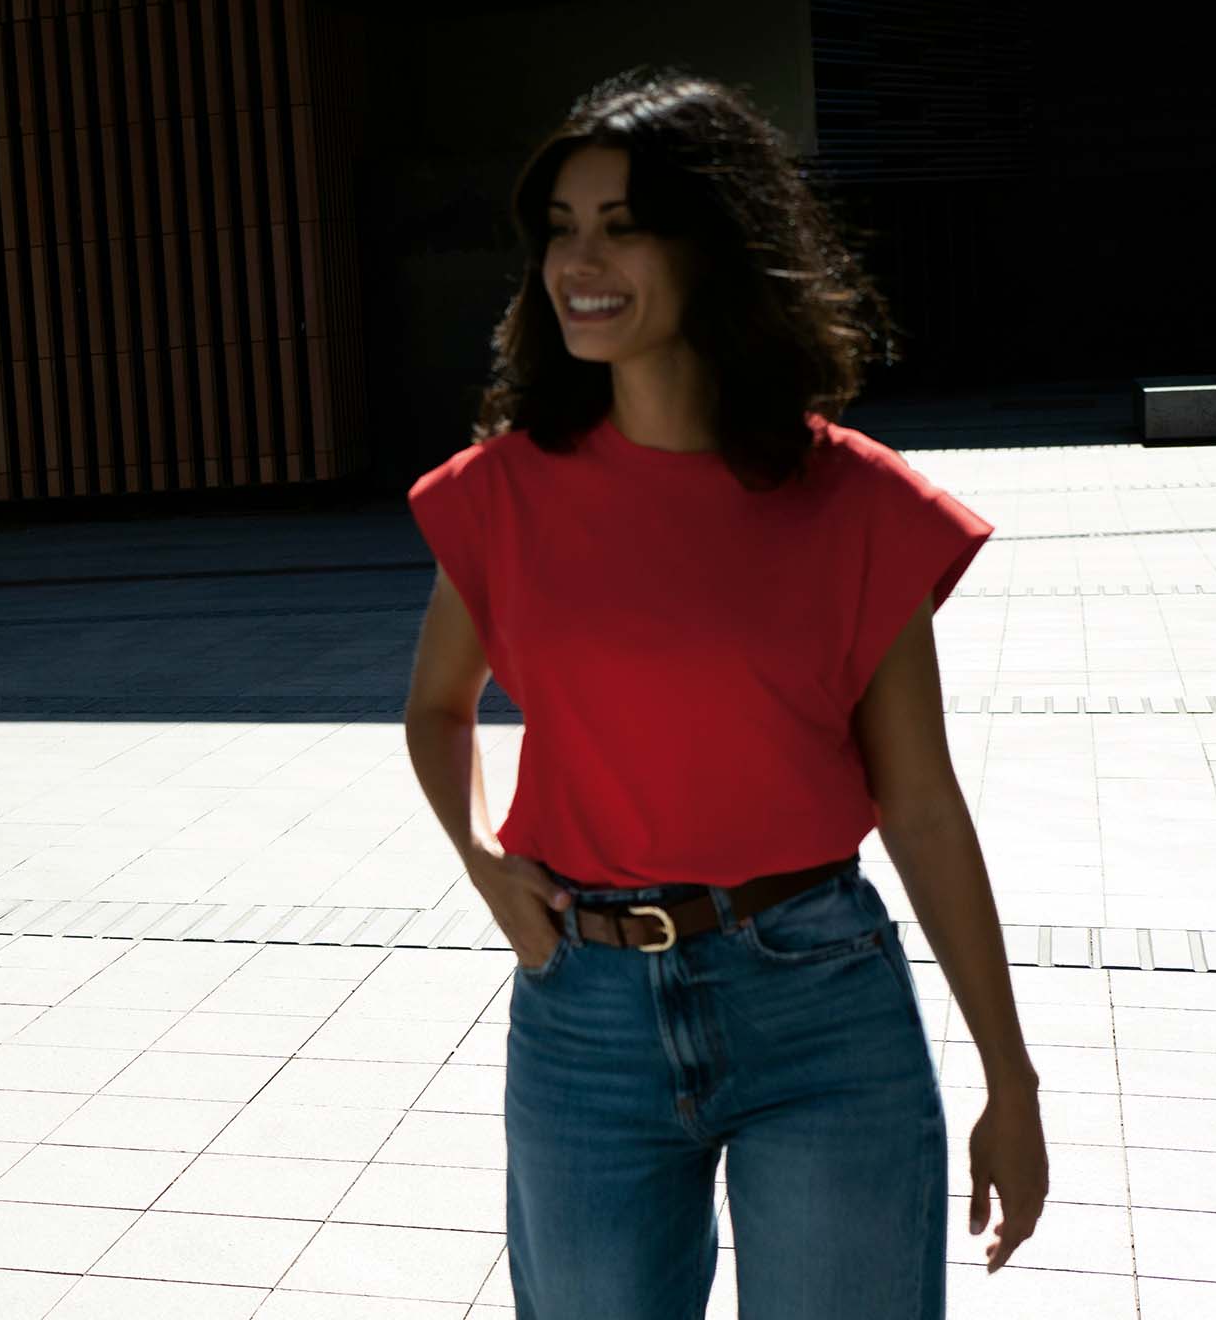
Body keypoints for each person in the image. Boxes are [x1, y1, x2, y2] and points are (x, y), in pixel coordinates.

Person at [400, 70, 1046, 1318]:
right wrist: (484, 857)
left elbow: (919, 805)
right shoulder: (504, 493)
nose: (580, 258)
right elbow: (436, 708)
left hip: (820, 1004)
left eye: (622, 223)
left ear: (716, 246)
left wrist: (1008, 1082)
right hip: (581, 1014)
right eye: (561, 227)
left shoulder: (853, 503)